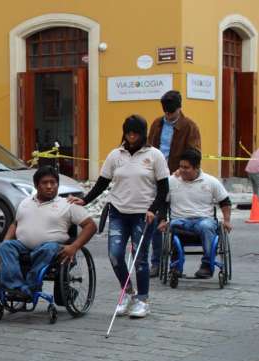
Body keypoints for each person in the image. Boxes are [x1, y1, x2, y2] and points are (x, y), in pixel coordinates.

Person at [69, 115, 169, 319]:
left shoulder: (154, 155)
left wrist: (155, 209)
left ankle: (142, 300)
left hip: (144, 214)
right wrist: (85, 200)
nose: (131, 137)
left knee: (140, 259)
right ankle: (127, 293)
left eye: (136, 133)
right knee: (115, 254)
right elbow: (102, 182)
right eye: (128, 132)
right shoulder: (116, 155)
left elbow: (163, 188)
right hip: (118, 212)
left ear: (143, 134)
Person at [0, 166, 96, 300]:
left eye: (53, 183)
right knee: (4, 247)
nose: (50, 186)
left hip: (52, 248)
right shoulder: (25, 202)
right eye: (45, 183)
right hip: (24, 247)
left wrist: (75, 246)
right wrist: (6, 241)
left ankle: (31, 287)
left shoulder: (67, 204)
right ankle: (16, 288)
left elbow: (91, 226)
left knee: (48, 248)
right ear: (37, 185)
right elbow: (15, 224)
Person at [148, 90, 201, 277]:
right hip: (157, 178)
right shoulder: (157, 124)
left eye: (172, 112)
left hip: (178, 178)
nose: (169, 116)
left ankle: (175, 265)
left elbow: (194, 152)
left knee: (175, 222)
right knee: (155, 220)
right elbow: (148, 148)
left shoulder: (190, 126)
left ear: (179, 108)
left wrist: (182, 169)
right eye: (166, 113)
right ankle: (155, 262)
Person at [158, 149, 232, 278]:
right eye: (180, 166)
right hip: (180, 220)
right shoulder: (171, 181)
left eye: (186, 167)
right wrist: (163, 220)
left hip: (203, 220)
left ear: (196, 167)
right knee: (173, 226)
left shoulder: (211, 182)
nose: (182, 170)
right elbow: (163, 202)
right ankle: (175, 266)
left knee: (206, 226)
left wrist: (226, 221)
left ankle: (207, 265)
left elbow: (225, 201)